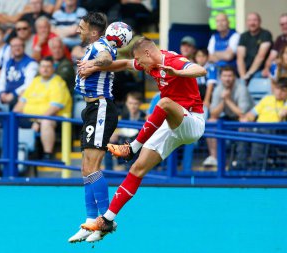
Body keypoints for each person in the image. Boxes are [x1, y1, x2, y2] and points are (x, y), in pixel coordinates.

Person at [78, 36, 207, 237]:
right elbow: (125, 64)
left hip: (192, 120)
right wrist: (96, 67)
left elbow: (201, 70)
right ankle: (107, 220)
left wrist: (179, 73)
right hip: (172, 124)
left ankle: (132, 148)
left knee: (163, 103)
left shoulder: (173, 61)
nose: (143, 68)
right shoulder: (149, 64)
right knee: (137, 169)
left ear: (148, 53)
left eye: (142, 61)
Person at [68, 12, 118, 243]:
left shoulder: (101, 46)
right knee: (86, 168)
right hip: (91, 110)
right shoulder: (93, 46)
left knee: (93, 166)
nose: (78, 30)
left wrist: (93, 64)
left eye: (82, 27)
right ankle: (90, 222)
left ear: (94, 31)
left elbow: (107, 59)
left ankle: (105, 221)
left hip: (101, 108)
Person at [13, 57, 72, 160]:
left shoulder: (58, 82)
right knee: (10, 121)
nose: (45, 69)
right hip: (29, 118)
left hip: (52, 118)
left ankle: (47, 155)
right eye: (43, 66)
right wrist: (13, 115)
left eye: (48, 66)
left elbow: (54, 108)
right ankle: (12, 154)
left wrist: (38, 121)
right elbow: (22, 102)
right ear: (39, 68)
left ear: (53, 68)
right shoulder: (35, 81)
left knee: (46, 122)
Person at [241, 78, 287, 169]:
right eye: (277, 89)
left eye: (283, 90)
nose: (279, 92)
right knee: (243, 134)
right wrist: (245, 120)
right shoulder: (267, 99)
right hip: (258, 128)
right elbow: (251, 115)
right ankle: (240, 167)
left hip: (275, 132)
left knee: (258, 137)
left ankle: (256, 170)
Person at [203, 67, 254, 167]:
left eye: (230, 76)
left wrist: (227, 100)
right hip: (229, 117)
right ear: (220, 77)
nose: (227, 79)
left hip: (247, 118)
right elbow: (213, 113)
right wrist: (223, 101)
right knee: (211, 122)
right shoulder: (218, 89)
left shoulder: (241, 88)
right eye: (225, 76)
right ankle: (214, 158)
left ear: (234, 77)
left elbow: (242, 113)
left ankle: (240, 159)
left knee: (243, 122)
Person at [105, 91, 146, 171]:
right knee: (108, 142)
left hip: (137, 143)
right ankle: (109, 171)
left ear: (140, 104)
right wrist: (114, 133)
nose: (133, 106)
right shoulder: (121, 115)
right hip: (122, 140)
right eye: (130, 103)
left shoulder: (144, 117)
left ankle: (129, 169)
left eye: (135, 103)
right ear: (126, 103)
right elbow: (116, 129)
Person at [0, 37, 38, 109]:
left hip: (21, 96)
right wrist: (2, 92)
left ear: (24, 47)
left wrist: (14, 94)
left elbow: (29, 84)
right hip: (7, 95)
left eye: (19, 46)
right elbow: (2, 79)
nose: (17, 48)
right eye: (14, 46)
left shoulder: (31, 63)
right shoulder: (8, 62)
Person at [237, 12, 273, 81]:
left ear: (260, 22)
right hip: (245, 72)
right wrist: (243, 76)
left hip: (259, 71)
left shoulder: (265, 34)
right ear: (246, 22)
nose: (252, 23)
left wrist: (249, 75)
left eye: (255, 20)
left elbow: (260, 56)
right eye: (249, 20)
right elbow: (240, 58)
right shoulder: (243, 36)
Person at [194, 48, 217, 118]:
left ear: (207, 57)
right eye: (198, 56)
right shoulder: (193, 67)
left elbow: (211, 85)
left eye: (203, 56)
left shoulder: (211, 67)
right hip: (197, 94)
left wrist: (206, 100)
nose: (201, 58)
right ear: (195, 57)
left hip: (210, 94)